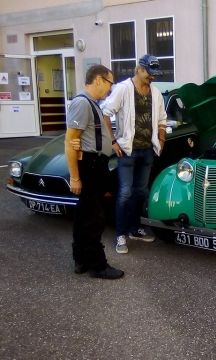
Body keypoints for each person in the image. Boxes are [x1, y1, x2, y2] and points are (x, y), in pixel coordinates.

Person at [102, 54, 168, 254]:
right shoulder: (123, 88)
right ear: (139, 69)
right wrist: (113, 141)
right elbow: (105, 112)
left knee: (141, 192)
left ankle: (134, 228)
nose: (152, 77)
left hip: (148, 149)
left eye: (155, 74)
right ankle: (120, 235)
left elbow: (162, 119)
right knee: (124, 193)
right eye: (149, 73)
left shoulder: (155, 93)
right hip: (128, 150)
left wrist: (162, 138)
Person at [65, 64, 124, 280]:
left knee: (84, 215)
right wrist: (75, 176)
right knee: (94, 217)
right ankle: (97, 265)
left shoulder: (92, 104)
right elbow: (70, 142)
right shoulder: (82, 103)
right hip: (90, 165)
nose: (110, 88)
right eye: (110, 83)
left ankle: (81, 259)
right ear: (98, 80)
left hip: (95, 164)